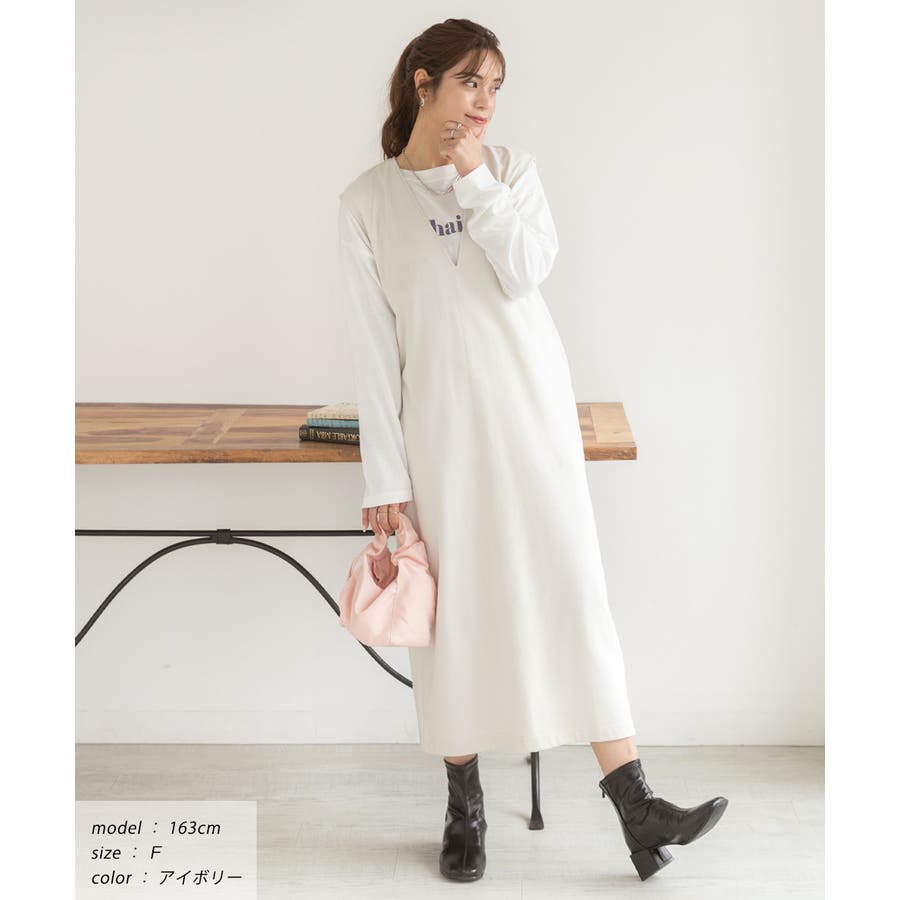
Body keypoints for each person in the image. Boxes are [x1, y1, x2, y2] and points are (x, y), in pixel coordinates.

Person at [337, 17, 728, 884]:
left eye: (495, 88)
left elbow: (525, 270)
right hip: (440, 435)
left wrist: (474, 176)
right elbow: (373, 352)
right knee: (457, 621)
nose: (484, 103)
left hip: (532, 418)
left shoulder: (511, 172)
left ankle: (635, 804)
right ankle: (465, 807)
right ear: (423, 83)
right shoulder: (365, 204)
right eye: (470, 82)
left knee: (572, 595)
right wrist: (383, 477)